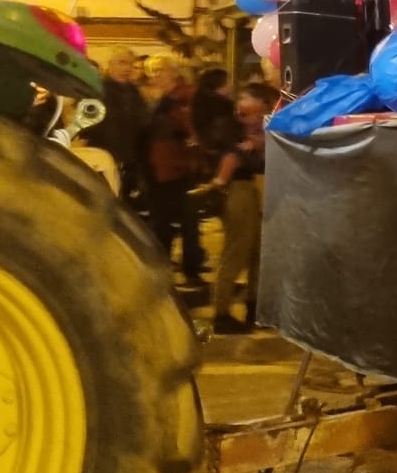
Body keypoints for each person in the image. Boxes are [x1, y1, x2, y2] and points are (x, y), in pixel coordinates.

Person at [209, 84, 271, 333]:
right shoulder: (230, 126)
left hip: (261, 189)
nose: (243, 104)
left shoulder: (263, 126)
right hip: (240, 189)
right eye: (244, 99)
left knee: (259, 252)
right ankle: (221, 314)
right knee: (236, 251)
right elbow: (230, 156)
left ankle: (254, 309)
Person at [144, 64, 206, 291]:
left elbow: (188, 127)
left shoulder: (181, 97)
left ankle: (188, 269)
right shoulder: (160, 98)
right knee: (165, 221)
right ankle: (167, 268)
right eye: (154, 72)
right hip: (162, 167)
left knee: (183, 221)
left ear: (173, 74)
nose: (156, 75)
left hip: (178, 167)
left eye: (160, 71)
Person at [85, 49, 151, 203]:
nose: (127, 68)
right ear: (110, 65)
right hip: (104, 157)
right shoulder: (98, 90)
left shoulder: (134, 92)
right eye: (122, 63)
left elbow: (142, 124)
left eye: (130, 64)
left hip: (129, 161)